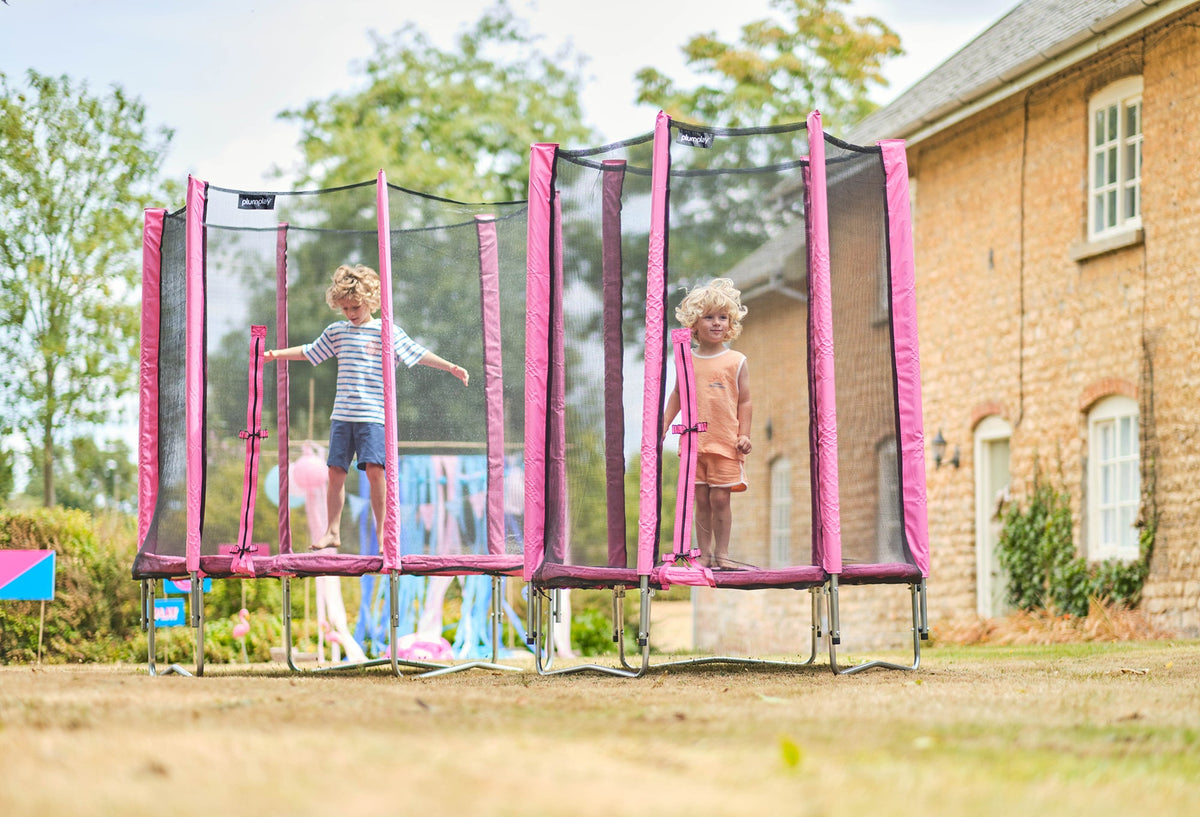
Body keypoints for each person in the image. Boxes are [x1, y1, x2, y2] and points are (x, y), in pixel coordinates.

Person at [265, 263, 468, 552]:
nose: (351, 313)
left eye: (356, 306)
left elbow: (418, 353)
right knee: (335, 473)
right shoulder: (338, 332)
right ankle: (332, 531)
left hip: (373, 416)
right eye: (345, 308)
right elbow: (310, 350)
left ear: (370, 300)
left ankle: (384, 532)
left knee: (375, 471)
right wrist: (277, 354)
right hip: (343, 416)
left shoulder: (386, 331)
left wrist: (450, 367)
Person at [662, 278, 752, 570]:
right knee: (700, 500)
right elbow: (678, 394)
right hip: (694, 444)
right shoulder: (686, 359)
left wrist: (744, 435)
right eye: (709, 317)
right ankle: (704, 555)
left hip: (725, 443)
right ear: (694, 324)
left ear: (730, 324)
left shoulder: (736, 360)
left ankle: (723, 554)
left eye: (723, 317)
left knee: (720, 500)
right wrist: (662, 426)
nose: (717, 323)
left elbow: (745, 402)